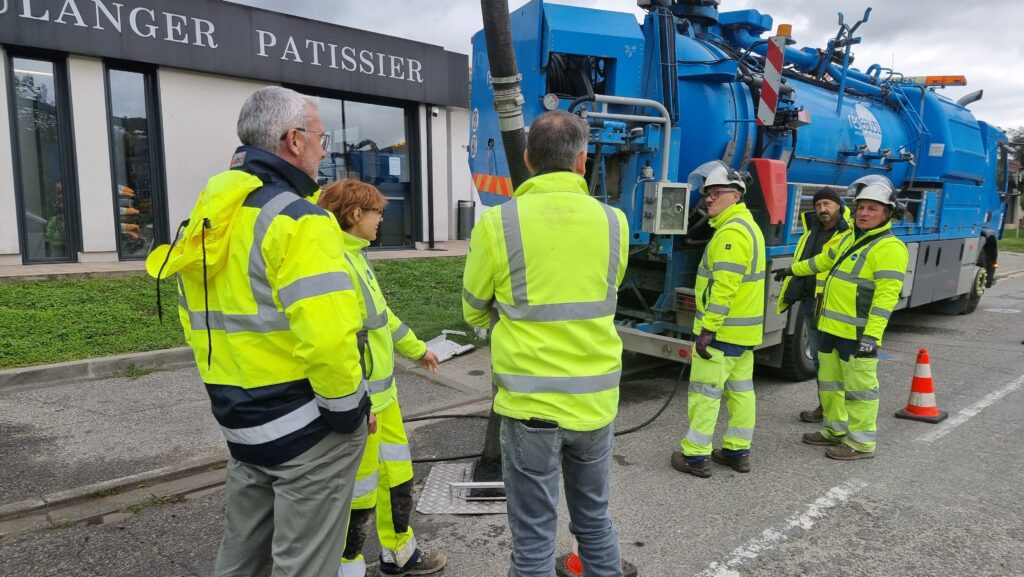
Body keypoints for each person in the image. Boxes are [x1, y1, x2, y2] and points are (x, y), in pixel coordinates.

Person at [145, 86, 370, 577]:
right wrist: (350, 413)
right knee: (303, 564)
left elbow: (205, 325)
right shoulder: (300, 219)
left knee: (240, 559)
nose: (323, 150)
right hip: (306, 428)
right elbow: (330, 341)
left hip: (240, 423)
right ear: (293, 141)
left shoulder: (207, 220)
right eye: (321, 138)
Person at [462, 110, 628, 577]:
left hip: (530, 404)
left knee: (534, 534)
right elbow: (607, 291)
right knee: (594, 521)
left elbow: (474, 308)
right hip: (594, 403)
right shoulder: (614, 222)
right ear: (582, 160)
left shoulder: (498, 224)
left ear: (529, 159)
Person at [317, 179, 446, 577]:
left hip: (382, 401)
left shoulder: (356, 257)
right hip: (363, 405)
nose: (381, 221)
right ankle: (347, 569)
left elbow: (380, 319)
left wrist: (417, 349)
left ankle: (399, 554)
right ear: (356, 214)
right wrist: (359, 403)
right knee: (359, 492)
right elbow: (338, 342)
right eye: (378, 214)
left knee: (398, 476)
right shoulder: (335, 261)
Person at [776, 175, 909, 460]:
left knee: (860, 390)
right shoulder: (850, 236)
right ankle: (834, 430)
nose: (863, 213)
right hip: (830, 327)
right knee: (830, 383)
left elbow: (886, 298)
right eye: (861, 207)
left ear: (886, 214)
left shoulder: (890, 248)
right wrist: (793, 270)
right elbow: (823, 260)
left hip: (857, 334)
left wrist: (872, 337)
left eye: (873, 209)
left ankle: (861, 443)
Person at [671, 161, 766, 478]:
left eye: (716, 193)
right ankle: (737, 451)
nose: (709, 198)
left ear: (736, 195)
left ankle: (695, 456)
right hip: (743, 335)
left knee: (705, 393)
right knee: (741, 393)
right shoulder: (746, 226)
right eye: (707, 193)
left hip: (721, 334)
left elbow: (725, 287)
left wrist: (708, 329)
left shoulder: (732, 234)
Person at [777, 187, 850, 423]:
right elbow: (810, 263)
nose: (822, 209)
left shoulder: (848, 234)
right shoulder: (811, 231)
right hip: (812, 302)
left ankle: (838, 410)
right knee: (821, 358)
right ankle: (825, 406)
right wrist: (791, 272)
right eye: (818, 205)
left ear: (839, 205)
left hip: (835, 305)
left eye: (827, 204)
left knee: (836, 359)